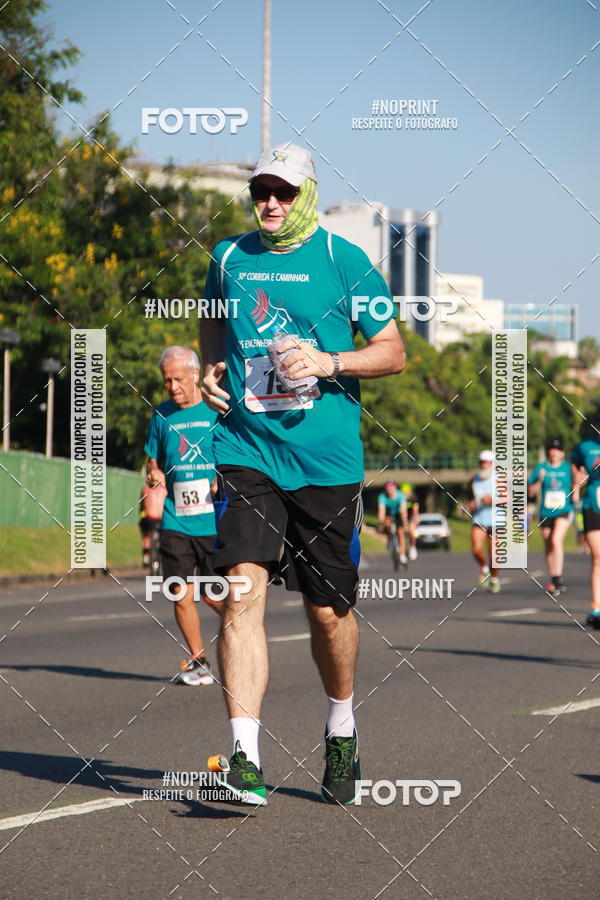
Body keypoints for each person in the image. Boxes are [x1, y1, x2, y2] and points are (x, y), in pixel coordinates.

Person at [201, 141, 406, 805]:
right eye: (261, 189)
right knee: (241, 592)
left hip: (325, 462)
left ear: (307, 195)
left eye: (283, 192)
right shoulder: (228, 257)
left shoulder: (344, 261)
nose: (270, 202)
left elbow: (393, 351)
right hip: (246, 450)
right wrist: (210, 370)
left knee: (327, 613)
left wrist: (329, 362)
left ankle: (341, 727)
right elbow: (212, 321)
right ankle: (244, 758)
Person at [144, 346, 219, 684]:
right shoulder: (161, 415)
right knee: (180, 591)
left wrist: (221, 478)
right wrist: (154, 473)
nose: (172, 387)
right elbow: (153, 460)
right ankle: (199, 661)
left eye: (178, 379)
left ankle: (245, 628)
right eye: (167, 381)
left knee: (212, 594)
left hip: (214, 520)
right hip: (176, 516)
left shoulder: (216, 409)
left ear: (195, 375)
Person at [527, 438, 573, 594]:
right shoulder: (541, 468)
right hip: (546, 512)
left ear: (562, 453)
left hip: (563, 509)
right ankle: (554, 577)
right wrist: (539, 480)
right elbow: (530, 492)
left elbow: (580, 480)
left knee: (556, 540)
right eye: (552, 449)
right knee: (548, 545)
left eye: (558, 450)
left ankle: (558, 577)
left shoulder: (568, 468)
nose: (554, 452)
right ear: (548, 452)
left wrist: (577, 490)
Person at [571, 411, 600, 628]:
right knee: (598, 557)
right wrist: (578, 477)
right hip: (592, 504)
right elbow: (575, 465)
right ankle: (596, 606)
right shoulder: (585, 447)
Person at [468, 450, 501, 593]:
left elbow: (509, 499)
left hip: (496, 520)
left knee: (494, 555)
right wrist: (471, 504)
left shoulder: (499, 479)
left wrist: (493, 500)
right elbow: (470, 497)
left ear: (492, 464)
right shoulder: (474, 479)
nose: (483, 465)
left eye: (486, 462)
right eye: (481, 462)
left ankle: (494, 579)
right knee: (476, 550)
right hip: (479, 519)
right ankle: (484, 568)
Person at [377, 481, 408, 564]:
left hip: (398, 513)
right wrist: (381, 523)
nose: (390, 492)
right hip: (388, 513)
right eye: (388, 490)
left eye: (391, 489)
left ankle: (402, 555)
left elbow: (403, 510)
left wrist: (404, 521)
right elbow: (381, 512)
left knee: (400, 532)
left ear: (395, 489)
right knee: (387, 524)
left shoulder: (400, 495)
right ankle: (389, 538)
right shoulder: (382, 497)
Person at [139, 481, 166, 567]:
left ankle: (146, 557)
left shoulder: (145, 489)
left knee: (146, 536)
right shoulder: (164, 489)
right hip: (161, 520)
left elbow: (141, 507)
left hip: (149, 520)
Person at [400, 482, 420, 560]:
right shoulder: (399, 498)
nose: (405, 494)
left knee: (412, 531)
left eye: (407, 492)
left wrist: (416, 519)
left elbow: (415, 510)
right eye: (403, 492)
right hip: (401, 516)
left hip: (410, 516)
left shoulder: (413, 498)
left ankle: (413, 547)